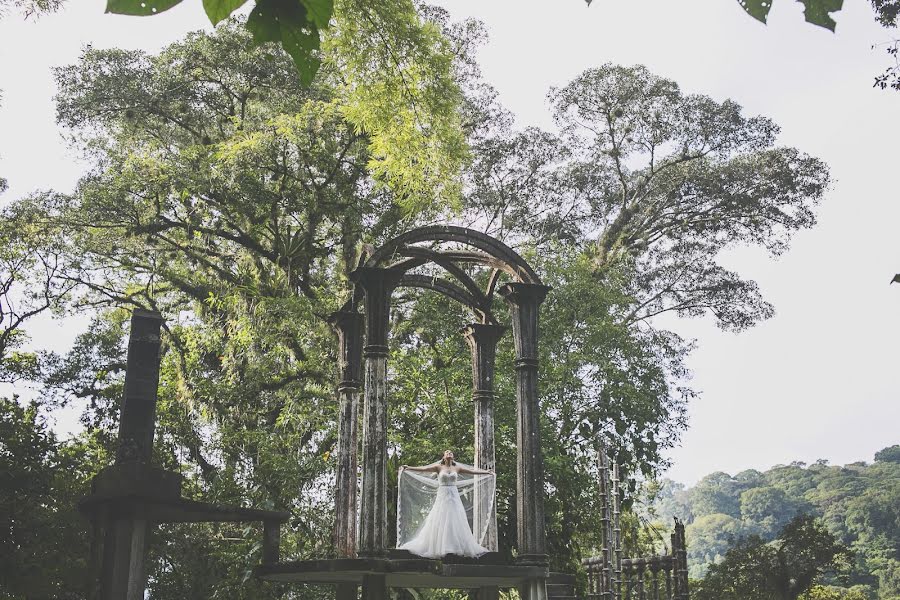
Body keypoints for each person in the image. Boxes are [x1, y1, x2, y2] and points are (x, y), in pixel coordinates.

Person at [397, 450, 494, 558]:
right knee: (440, 518)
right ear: (443, 457)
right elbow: (424, 469)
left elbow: (472, 472)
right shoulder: (438, 467)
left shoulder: (457, 468)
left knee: (455, 518)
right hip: (442, 494)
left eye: (451, 452)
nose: (449, 453)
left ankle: (455, 546)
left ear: (453, 457)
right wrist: (409, 468)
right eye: (447, 452)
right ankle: (439, 546)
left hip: (454, 495)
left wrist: (487, 472)